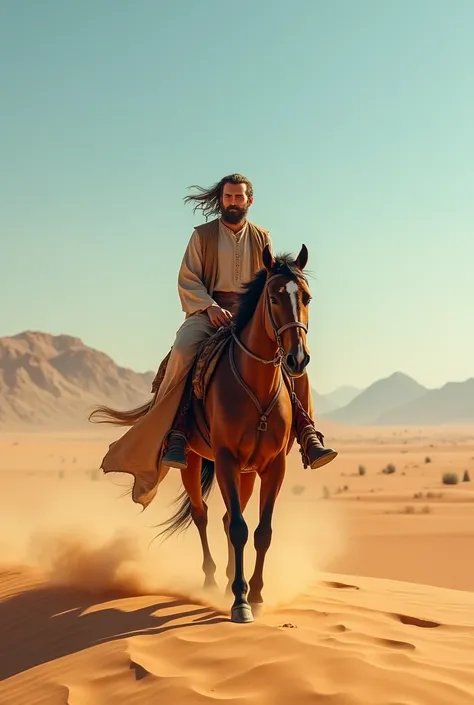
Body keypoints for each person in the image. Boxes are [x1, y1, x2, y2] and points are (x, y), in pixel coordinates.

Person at [94, 173, 337, 509]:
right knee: (183, 350)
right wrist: (209, 307)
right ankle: (177, 431)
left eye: (239, 197)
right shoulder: (202, 236)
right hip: (207, 312)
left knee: (296, 363)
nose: (233, 203)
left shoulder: (262, 237)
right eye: (228, 197)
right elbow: (188, 279)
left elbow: (272, 282)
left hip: (252, 314)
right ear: (220, 200)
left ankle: (308, 434)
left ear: (249, 201)